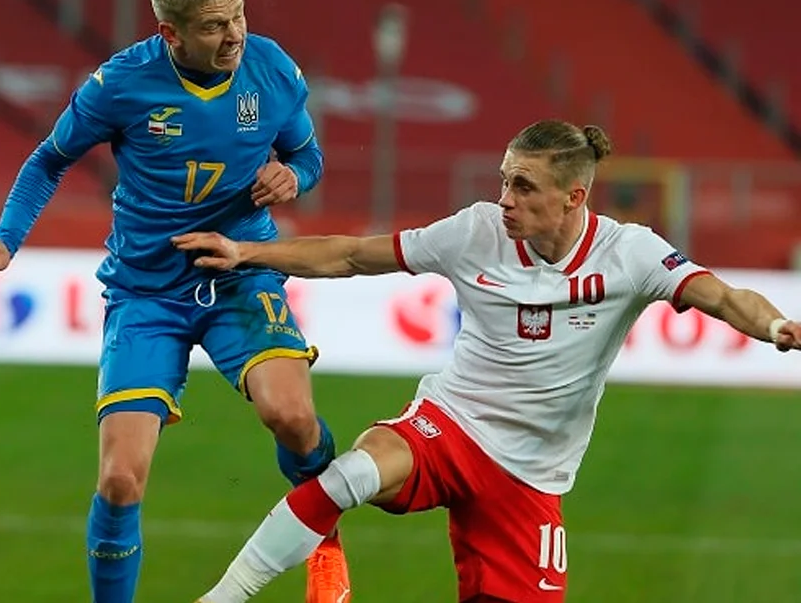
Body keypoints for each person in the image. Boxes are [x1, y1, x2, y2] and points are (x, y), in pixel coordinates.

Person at [173, 120, 801, 603]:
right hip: (453, 425)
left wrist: (776, 327)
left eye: (523, 186)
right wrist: (246, 252)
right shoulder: (476, 231)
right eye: (504, 180)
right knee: (351, 475)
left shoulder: (629, 253)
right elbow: (354, 255)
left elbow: (723, 296)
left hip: (532, 474)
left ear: (573, 197)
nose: (505, 198)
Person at [0, 0, 350, 603]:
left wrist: (294, 176)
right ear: (170, 32)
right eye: (214, 26)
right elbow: (49, 159)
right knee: (120, 480)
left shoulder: (271, 69)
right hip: (147, 292)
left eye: (238, 16)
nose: (234, 35)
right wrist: (6, 237)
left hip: (240, 273)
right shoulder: (121, 84)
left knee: (290, 415)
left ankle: (326, 539)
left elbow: (306, 153)